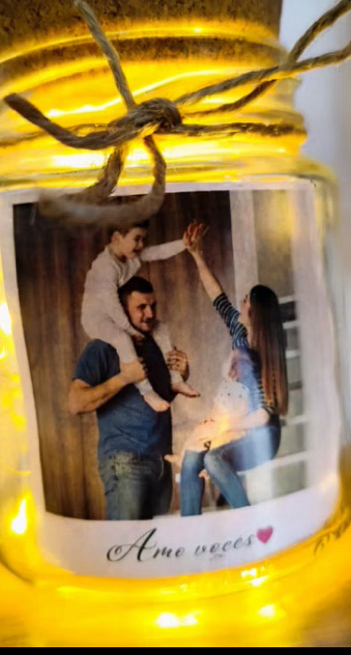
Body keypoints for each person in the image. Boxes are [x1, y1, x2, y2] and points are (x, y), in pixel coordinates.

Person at [177, 224, 289, 515]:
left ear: (256, 312)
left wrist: (223, 427)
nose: (241, 301)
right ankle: (190, 528)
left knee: (213, 459)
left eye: (247, 299)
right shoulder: (239, 331)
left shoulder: (264, 357)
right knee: (190, 462)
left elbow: (262, 415)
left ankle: (247, 519)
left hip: (260, 432)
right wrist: (196, 255)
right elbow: (218, 297)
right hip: (236, 421)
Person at [68, 275, 199, 520]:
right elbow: (76, 403)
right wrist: (124, 378)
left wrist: (181, 376)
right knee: (128, 540)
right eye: (141, 307)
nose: (150, 314)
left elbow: (157, 402)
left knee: (154, 542)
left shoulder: (157, 343)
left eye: (153, 306)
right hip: (126, 463)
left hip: (161, 463)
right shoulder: (102, 347)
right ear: (121, 311)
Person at [81, 220, 198, 411]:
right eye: (137, 239)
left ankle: (176, 381)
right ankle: (147, 392)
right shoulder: (105, 266)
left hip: (117, 312)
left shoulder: (130, 255)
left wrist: (183, 244)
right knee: (123, 339)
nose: (141, 244)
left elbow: (157, 252)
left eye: (143, 239)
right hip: (97, 318)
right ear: (117, 238)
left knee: (161, 328)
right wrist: (129, 330)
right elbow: (111, 304)